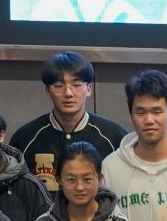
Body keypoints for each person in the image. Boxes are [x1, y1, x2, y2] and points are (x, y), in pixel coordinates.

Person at [10, 51, 128, 191]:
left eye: (76, 85)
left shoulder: (114, 136)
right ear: (47, 91)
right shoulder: (25, 138)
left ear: (89, 89)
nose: (68, 93)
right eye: (59, 86)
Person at [105, 69, 167, 221]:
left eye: (157, 111)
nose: (149, 120)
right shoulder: (110, 167)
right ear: (131, 114)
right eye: (140, 112)